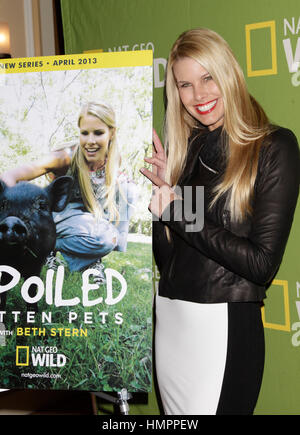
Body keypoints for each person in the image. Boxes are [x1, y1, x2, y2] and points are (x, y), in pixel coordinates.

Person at [141, 28, 300, 415]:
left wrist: (178, 211)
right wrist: (170, 190)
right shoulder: (193, 147)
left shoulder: (274, 147)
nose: (199, 95)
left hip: (223, 328)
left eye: (207, 77)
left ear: (228, 72)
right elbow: (171, 260)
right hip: (173, 322)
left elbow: (262, 265)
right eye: (185, 84)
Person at [0, 102, 137, 282]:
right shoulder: (64, 157)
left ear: (112, 133)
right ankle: (45, 245)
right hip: (61, 215)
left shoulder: (113, 159)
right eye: (85, 133)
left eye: (98, 133)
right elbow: (9, 176)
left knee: (128, 188)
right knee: (106, 239)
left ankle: (92, 260)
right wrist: (11, 212)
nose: (90, 141)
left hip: (86, 214)